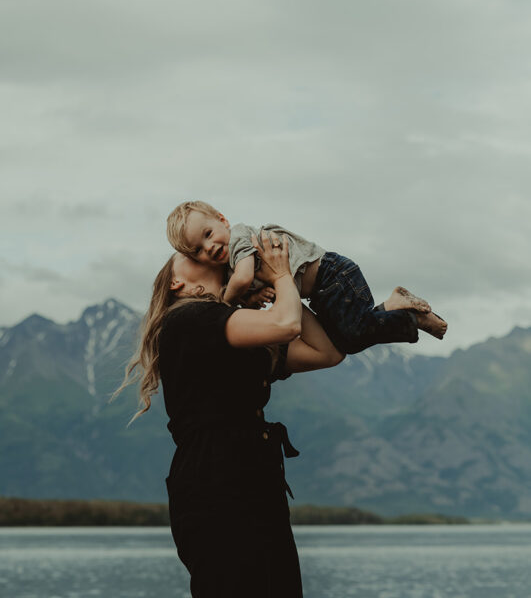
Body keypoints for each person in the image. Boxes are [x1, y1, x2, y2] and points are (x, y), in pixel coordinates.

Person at [120, 230, 344, 598]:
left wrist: (275, 285)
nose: (207, 253)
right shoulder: (188, 319)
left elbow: (326, 352)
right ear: (177, 282)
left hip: (255, 475)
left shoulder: (232, 328)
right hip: (215, 481)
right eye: (190, 253)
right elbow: (285, 326)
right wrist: (282, 275)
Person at [166, 199, 447, 356]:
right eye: (198, 251)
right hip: (322, 291)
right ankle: (393, 305)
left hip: (333, 275)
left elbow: (242, 280)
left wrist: (224, 303)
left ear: (222, 219)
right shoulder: (235, 263)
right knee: (345, 343)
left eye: (208, 235)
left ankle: (413, 317)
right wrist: (255, 296)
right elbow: (255, 285)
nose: (210, 247)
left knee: (356, 332)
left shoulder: (240, 238)